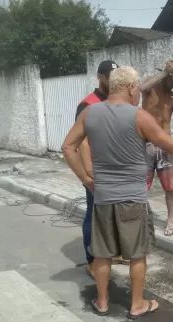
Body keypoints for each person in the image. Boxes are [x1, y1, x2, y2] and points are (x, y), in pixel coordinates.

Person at [62, 66, 173, 318]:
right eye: (137, 88)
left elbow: (68, 147)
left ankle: (103, 302)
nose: (139, 94)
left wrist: (86, 179)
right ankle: (137, 304)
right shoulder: (139, 117)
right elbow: (172, 145)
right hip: (132, 199)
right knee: (137, 254)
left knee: (102, 254)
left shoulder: (89, 113)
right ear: (130, 88)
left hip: (103, 197)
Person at [75, 60, 119, 277]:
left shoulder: (115, 101)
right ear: (100, 77)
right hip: (96, 171)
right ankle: (91, 260)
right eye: (109, 77)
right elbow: (81, 142)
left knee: (111, 215)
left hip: (114, 169)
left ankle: (110, 252)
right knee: (93, 215)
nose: (113, 81)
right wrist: (88, 174)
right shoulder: (88, 104)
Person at [140, 60, 173, 236]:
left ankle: (170, 219)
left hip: (166, 144)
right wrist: (164, 73)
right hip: (145, 144)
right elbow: (141, 88)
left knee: (170, 187)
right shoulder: (151, 87)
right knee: (141, 185)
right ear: (167, 76)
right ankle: (142, 216)